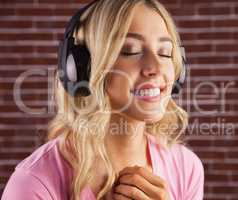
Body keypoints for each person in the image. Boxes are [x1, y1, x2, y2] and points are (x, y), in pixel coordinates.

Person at [1, 0, 204, 199]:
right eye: (129, 51)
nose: (156, 67)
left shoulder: (187, 168)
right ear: (83, 69)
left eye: (165, 53)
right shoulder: (35, 182)